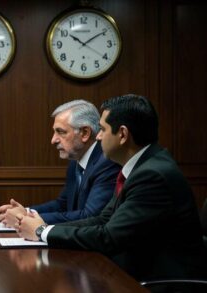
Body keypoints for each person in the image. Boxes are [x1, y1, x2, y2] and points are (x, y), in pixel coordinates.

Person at [16, 94, 206, 280]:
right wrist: (43, 228)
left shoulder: (152, 175)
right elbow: (102, 219)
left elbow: (109, 237)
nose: (98, 137)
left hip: (161, 282)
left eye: (103, 129)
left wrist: (42, 231)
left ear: (122, 134)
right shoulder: (141, 166)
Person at [0, 100, 120, 225]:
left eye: (61, 132)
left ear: (85, 133)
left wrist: (25, 218)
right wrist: (25, 211)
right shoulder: (75, 161)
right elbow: (63, 204)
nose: (53, 140)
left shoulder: (107, 163)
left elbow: (90, 216)